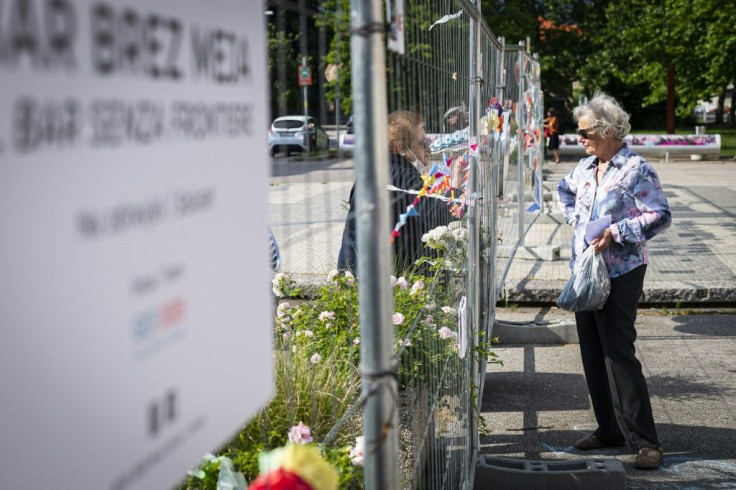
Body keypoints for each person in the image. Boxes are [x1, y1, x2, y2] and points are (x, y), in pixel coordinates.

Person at [556, 92, 671, 469]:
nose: (579, 138)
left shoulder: (635, 168)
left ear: (607, 130)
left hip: (621, 270)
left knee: (617, 351)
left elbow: (660, 215)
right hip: (586, 270)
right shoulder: (587, 167)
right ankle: (609, 429)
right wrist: (575, 221)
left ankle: (645, 441)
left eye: (585, 131)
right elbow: (563, 191)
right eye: (579, 131)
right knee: (591, 351)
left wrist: (618, 231)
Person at [337, 111, 461, 274]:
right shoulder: (398, 177)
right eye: (423, 143)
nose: (428, 148)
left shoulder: (384, 171)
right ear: (402, 148)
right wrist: (458, 187)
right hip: (365, 282)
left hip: (361, 274)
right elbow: (441, 213)